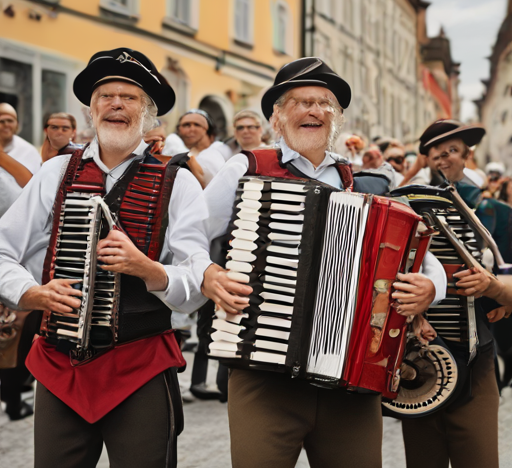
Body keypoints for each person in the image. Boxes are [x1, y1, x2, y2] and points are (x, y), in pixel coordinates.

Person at [200, 57, 446, 468]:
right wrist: (208, 274)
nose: (313, 111)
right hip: (264, 373)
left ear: (337, 118)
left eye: (324, 103)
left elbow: (421, 252)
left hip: (350, 382)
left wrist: (430, 288)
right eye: (300, 102)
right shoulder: (247, 167)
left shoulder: (365, 184)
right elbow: (187, 237)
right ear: (277, 117)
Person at [0, 48, 212, 468]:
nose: (116, 104)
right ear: (90, 110)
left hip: (142, 364)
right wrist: (30, 293)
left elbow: (196, 280)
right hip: (60, 365)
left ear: (148, 114)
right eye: (105, 96)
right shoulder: (56, 172)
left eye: (129, 97)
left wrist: (147, 269)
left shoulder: (179, 181)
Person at [400, 118, 507, 468]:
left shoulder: (494, 212)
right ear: (426, 160)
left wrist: (495, 288)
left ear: (467, 156)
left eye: (452, 152)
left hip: (476, 357)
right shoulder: (405, 207)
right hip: (418, 361)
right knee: (422, 460)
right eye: (435, 154)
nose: (444, 159)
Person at [0, 102, 42, 420]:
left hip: (15, 250)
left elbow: (31, 187)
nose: (4, 124)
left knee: (12, 326)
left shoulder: (26, 152)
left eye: (10, 119)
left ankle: (13, 396)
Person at [162, 109, 225, 187]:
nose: (192, 129)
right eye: (186, 125)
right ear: (179, 129)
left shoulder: (220, 149)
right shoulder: (173, 146)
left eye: (197, 125)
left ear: (207, 129)